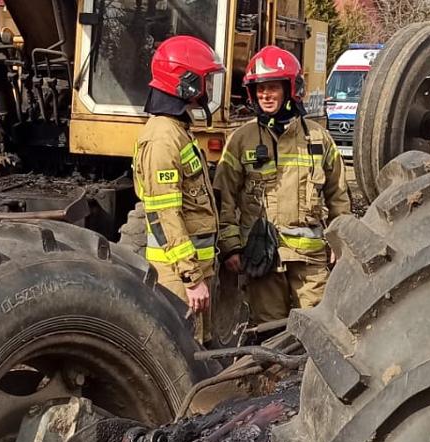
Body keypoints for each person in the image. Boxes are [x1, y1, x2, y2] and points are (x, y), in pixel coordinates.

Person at [216, 45, 352, 325]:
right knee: (269, 332)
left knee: (317, 328)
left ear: (290, 89)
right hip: (262, 260)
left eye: (273, 87)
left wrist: (340, 243)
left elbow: (338, 195)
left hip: (310, 261)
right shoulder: (241, 139)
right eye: (260, 89)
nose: (265, 95)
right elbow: (225, 197)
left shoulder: (318, 138)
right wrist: (230, 247)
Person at [134, 35, 227, 342]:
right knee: (185, 356)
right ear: (185, 83)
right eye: (203, 81)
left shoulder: (175, 130)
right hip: (177, 278)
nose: (206, 90)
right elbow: (165, 214)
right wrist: (190, 277)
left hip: (191, 272)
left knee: (198, 350)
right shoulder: (163, 138)